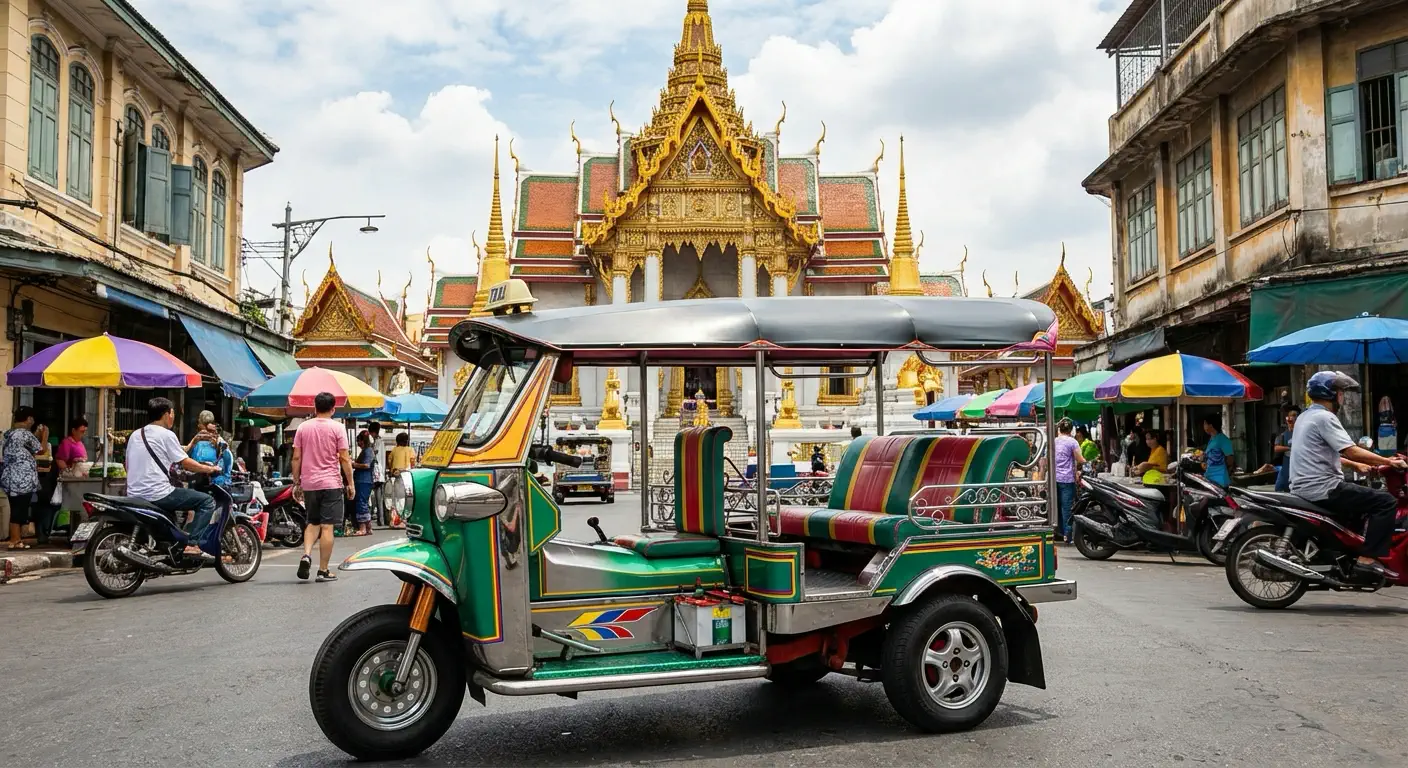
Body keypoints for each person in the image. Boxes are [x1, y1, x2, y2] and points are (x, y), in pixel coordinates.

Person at [1290, 371, 1407, 578]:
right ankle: (1367, 559)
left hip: (1304, 487)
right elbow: (1350, 449)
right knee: (1386, 502)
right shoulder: (1324, 417)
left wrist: (1355, 466)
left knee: (1360, 508)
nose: (1342, 396)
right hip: (1324, 488)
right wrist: (1389, 461)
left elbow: (1322, 454)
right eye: (1340, 391)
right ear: (1330, 393)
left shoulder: (1304, 416)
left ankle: (1346, 555)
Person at [125, 398, 219, 555]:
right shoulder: (167, 434)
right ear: (166, 414)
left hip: (134, 493)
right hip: (158, 493)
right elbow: (185, 463)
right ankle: (192, 544)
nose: (173, 416)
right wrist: (208, 469)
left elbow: (127, 465)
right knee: (207, 501)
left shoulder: (136, 434)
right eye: (173, 412)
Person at [293, 392, 355, 582]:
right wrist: (350, 483)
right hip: (331, 483)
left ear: (315, 407)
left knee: (312, 523)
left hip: (310, 483)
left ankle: (306, 554)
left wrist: (297, 482)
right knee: (327, 527)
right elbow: (344, 457)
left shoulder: (303, 427)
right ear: (333, 409)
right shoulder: (338, 428)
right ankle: (323, 570)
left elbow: (296, 457)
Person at [2, 407, 49, 550]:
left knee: (15, 507)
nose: (33, 421)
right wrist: (45, 435)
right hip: (22, 478)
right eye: (32, 419)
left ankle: (16, 539)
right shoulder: (24, 434)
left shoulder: (10, 434)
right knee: (20, 509)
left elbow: (25, 449)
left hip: (10, 476)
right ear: (28, 419)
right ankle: (15, 540)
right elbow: (41, 449)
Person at [54, 417, 90, 535]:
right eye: (81, 431)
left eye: (85, 431)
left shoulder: (80, 443)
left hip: (81, 480)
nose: (83, 434)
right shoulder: (67, 443)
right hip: (72, 480)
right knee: (74, 507)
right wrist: (68, 473)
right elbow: (60, 460)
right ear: (73, 430)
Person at [1052, 419, 1082, 544]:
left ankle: (1057, 533)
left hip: (1053, 480)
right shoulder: (1073, 442)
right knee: (1067, 508)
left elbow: (1044, 461)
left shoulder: (1053, 441)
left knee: (1056, 507)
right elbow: (1079, 458)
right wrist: (1085, 463)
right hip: (1067, 480)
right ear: (1071, 430)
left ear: (1059, 429)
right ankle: (1067, 535)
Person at [351, 431, 375, 536]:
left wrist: (354, 464)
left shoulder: (368, 451)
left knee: (361, 502)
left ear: (362, 441)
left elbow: (366, 465)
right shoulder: (366, 451)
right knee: (362, 502)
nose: (357, 443)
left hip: (364, 480)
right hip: (363, 480)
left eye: (358, 441)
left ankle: (363, 527)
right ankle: (368, 527)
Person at [1202, 414, 1234, 487]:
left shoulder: (1223, 440)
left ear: (1211, 425)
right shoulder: (1212, 439)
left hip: (1220, 480)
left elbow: (1230, 460)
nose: (1203, 426)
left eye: (1205, 424)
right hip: (1210, 477)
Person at [1273, 406, 1299, 492]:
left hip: (1299, 465)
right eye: (1289, 421)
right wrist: (1289, 448)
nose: (1291, 424)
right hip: (1287, 464)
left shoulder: (1302, 433)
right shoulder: (1283, 435)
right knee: (1279, 487)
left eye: (1293, 422)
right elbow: (1276, 448)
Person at [367, 421, 386, 526]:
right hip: (380, 473)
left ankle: (380, 519)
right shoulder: (379, 441)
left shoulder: (378, 442)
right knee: (378, 497)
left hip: (377, 473)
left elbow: (374, 454)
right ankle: (380, 520)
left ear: (373, 432)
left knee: (377, 497)